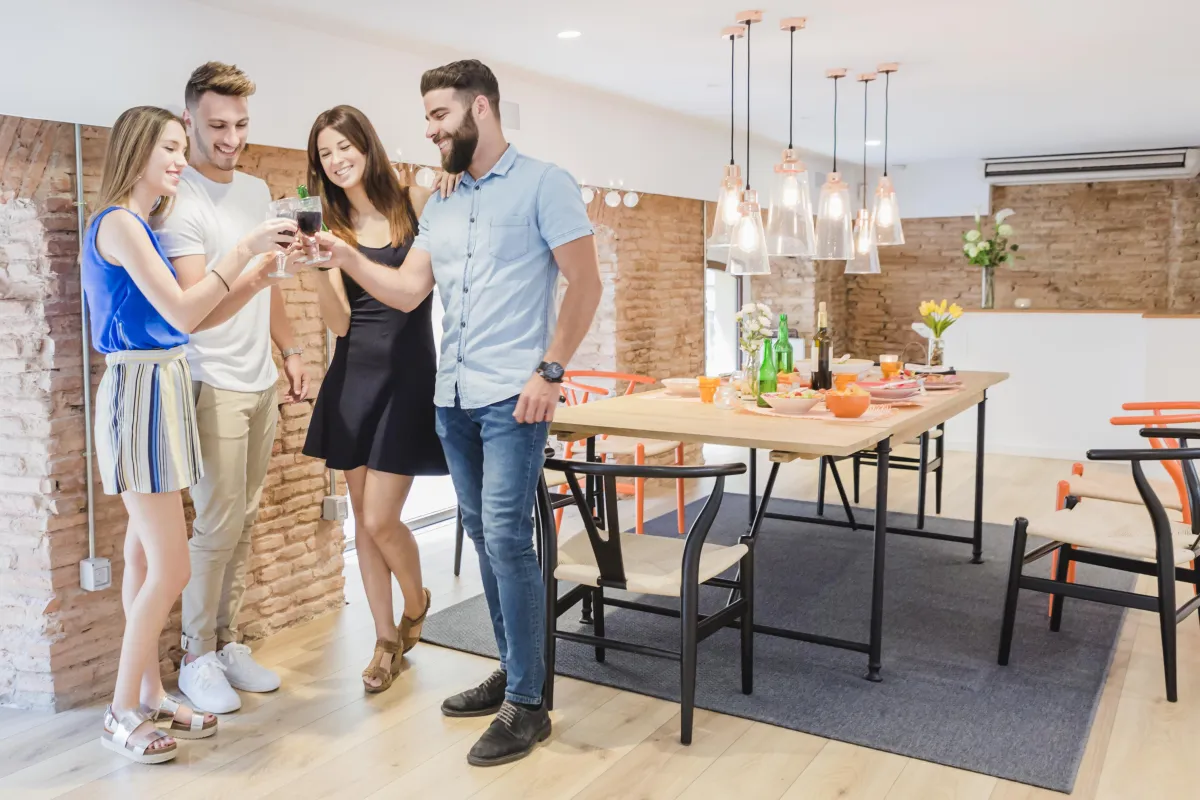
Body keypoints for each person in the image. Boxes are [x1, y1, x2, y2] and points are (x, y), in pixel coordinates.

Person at [316, 59, 602, 767]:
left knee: (506, 538)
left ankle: (530, 704)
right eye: (427, 118)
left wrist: (552, 369)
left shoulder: (545, 183)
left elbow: (586, 284)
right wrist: (341, 255)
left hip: (515, 396)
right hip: (453, 400)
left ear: (481, 108)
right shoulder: (440, 202)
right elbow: (409, 293)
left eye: (440, 116)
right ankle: (514, 672)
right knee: (482, 537)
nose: (431, 130)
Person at [83, 105, 295, 763]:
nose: (181, 159)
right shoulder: (119, 223)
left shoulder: (141, 226)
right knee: (171, 564)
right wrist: (244, 250)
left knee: (145, 558)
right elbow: (180, 306)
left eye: (181, 147)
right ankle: (121, 712)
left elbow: (192, 319)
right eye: (170, 148)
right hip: (140, 391)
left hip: (163, 384)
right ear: (137, 151)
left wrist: (256, 276)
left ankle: (148, 694)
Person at [156, 61, 311, 714]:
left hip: (259, 379)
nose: (230, 137)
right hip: (210, 379)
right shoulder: (177, 197)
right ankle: (194, 655)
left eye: (241, 124)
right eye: (217, 125)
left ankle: (226, 641)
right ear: (189, 118)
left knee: (244, 520)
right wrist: (254, 263)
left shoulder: (255, 189)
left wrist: (291, 345)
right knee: (217, 521)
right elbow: (201, 305)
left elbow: (267, 282)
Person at [301, 104, 450, 693]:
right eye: (324, 153)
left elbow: (414, 295)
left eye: (344, 146)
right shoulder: (329, 228)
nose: (336, 160)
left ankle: (416, 604)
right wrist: (315, 270)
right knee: (363, 523)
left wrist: (443, 179)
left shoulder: (413, 203)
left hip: (410, 378)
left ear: (366, 144)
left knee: (381, 518)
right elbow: (340, 324)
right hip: (352, 382)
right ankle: (386, 639)